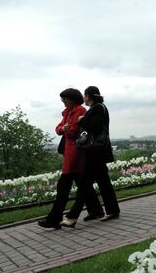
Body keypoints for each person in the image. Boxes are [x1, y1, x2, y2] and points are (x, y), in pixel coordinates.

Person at [38, 88, 104, 229]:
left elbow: (74, 131)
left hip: (76, 154)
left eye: (64, 99)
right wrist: (63, 129)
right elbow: (58, 128)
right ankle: (96, 210)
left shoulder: (79, 111)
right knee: (82, 185)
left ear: (72, 98)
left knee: (63, 187)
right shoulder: (68, 112)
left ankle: (54, 219)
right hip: (70, 153)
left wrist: (66, 129)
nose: (62, 101)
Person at [61, 86, 120, 227]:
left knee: (84, 184)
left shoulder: (98, 108)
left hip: (94, 153)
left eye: (85, 95)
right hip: (98, 152)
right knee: (104, 183)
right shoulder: (99, 107)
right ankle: (113, 210)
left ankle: (72, 217)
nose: (84, 98)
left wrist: (82, 120)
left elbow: (96, 127)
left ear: (88, 96)